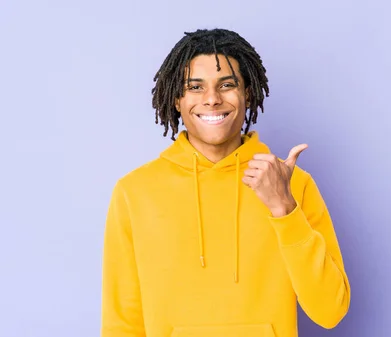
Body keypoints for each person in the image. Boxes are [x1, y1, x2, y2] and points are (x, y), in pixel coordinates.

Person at [101, 28, 350, 337]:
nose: (212, 99)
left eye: (227, 85)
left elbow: (330, 310)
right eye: (195, 87)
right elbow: (122, 324)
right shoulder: (135, 192)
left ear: (247, 93)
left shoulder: (291, 185)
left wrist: (284, 209)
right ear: (177, 100)